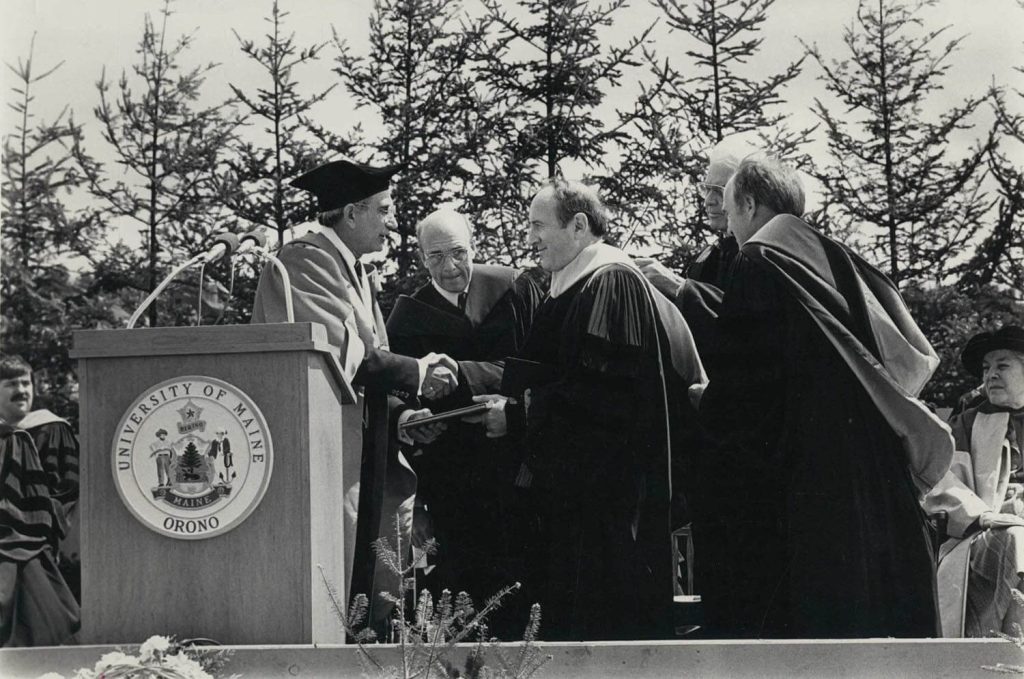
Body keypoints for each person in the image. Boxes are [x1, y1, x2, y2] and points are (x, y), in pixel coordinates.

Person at [690, 157, 949, 638]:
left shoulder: (759, 260)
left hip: (812, 486)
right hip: (873, 474)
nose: (729, 230)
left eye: (729, 211)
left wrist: (706, 402)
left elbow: (747, 397)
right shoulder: (834, 257)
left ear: (748, 205)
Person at [468, 178, 706, 640]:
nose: (530, 238)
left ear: (578, 226)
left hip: (608, 508)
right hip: (583, 501)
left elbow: (601, 401)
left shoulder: (611, 283)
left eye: (539, 226)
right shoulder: (570, 285)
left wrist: (517, 417)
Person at [251, 158, 457, 629]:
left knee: (378, 592)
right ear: (350, 213)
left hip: (360, 451)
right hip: (325, 456)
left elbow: (369, 362)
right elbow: (344, 355)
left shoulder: (353, 271)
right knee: (342, 595)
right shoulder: (302, 262)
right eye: (383, 211)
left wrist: (404, 415)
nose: (391, 223)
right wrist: (418, 372)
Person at [386, 209, 544, 636]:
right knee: (464, 594)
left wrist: (461, 371)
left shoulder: (513, 287)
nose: (451, 267)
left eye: (459, 252)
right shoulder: (408, 316)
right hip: (452, 478)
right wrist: (411, 419)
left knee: (525, 588)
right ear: (421, 258)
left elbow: (535, 366)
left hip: (515, 465)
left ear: (473, 244)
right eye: (436, 257)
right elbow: (394, 396)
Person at [925, 325, 1024, 637]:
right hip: (983, 529)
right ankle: (984, 647)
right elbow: (942, 482)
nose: (990, 374)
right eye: (986, 367)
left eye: (1002, 365)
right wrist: (983, 515)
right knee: (1011, 539)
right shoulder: (966, 424)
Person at [0, 355, 80, 646]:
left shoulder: (51, 429)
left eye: (26, 382)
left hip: (34, 540)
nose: (21, 390)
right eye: (11, 384)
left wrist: (45, 525)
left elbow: (66, 490)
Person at [637, 151, 741, 361]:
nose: (708, 202)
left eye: (719, 191)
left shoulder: (759, 257)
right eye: (706, 189)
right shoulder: (708, 255)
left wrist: (678, 287)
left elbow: (742, 330)